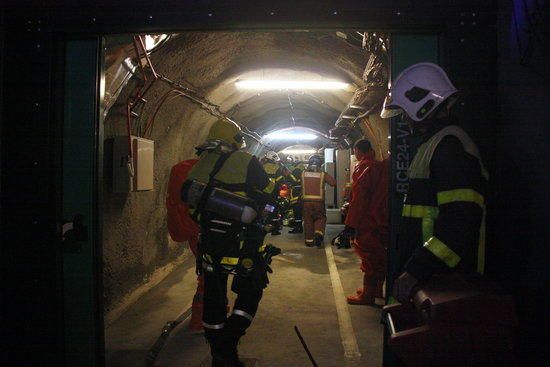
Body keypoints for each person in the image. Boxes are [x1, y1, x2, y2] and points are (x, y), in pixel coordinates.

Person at [380, 62, 488, 304]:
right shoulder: (434, 145)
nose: (405, 120)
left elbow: (461, 224)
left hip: (447, 283)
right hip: (433, 280)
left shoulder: (451, 149)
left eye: (405, 112)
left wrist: (417, 270)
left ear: (422, 104)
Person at [185, 119, 278, 367]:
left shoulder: (201, 163)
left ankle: (217, 351)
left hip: (210, 247)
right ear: (236, 140)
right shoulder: (246, 160)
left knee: (214, 297)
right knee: (252, 288)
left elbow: (191, 203)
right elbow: (269, 193)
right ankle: (230, 340)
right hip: (242, 245)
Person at [344, 138, 390, 305]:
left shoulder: (364, 167)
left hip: (368, 221)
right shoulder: (380, 166)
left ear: (358, 151)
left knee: (369, 257)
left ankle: (367, 295)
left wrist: (350, 224)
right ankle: (376, 289)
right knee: (379, 256)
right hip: (382, 219)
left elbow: (359, 199)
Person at [166, 158, 203, 331]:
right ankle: (201, 319)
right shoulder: (209, 170)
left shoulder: (185, 168)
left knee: (206, 273)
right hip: (205, 230)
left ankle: (205, 315)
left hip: (192, 227)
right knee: (210, 277)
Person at [301, 154, 336, 247]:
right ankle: (319, 233)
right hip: (319, 203)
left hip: (306, 202)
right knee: (320, 218)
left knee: (308, 221)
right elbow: (333, 183)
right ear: (320, 164)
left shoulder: (303, 173)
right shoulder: (323, 174)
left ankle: (309, 241)